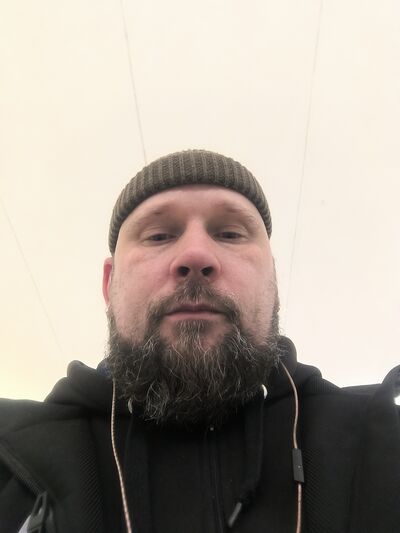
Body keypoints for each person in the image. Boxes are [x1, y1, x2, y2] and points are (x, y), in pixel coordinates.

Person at [0, 149, 399, 533]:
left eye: (230, 233)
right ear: (110, 283)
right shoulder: (11, 459)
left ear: (273, 281)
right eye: (158, 236)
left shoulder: (380, 444)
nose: (195, 254)